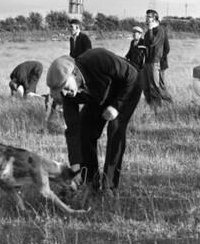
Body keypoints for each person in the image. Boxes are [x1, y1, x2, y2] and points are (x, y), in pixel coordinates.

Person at [46, 48, 142, 190]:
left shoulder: (97, 58)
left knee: (115, 128)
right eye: (61, 92)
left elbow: (132, 76)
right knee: (85, 131)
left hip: (127, 87)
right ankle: (90, 180)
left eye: (65, 87)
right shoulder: (67, 96)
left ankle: (110, 186)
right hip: (98, 96)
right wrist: (76, 167)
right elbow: (73, 130)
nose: (65, 93)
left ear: (74, 73)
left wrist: (116, 106)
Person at [141, 9, 172, 109]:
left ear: (155, 18)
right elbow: (146, 45)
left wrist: (160, 59)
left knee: (154, 86)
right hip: (147, 62)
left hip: (155, 62)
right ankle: (151, 107)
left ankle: (157, 109)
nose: (146, 18)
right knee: (146, 87)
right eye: (146, 16)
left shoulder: (159, 30)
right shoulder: (147, 33)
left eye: (149, 17)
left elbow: (152, 42)